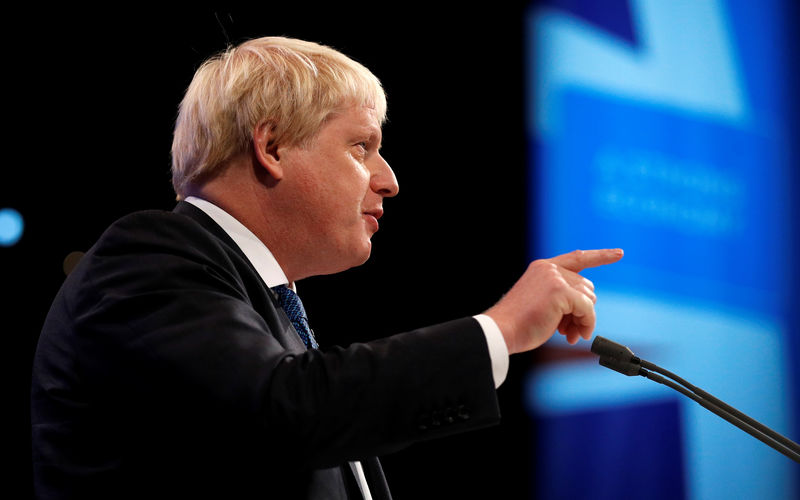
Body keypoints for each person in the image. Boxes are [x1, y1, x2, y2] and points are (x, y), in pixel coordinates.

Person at [30, 36, 623, 500]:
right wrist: (500, 329)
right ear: (273, 148)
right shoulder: (146, 257)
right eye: (361, 146)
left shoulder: (261, 304)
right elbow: (281, 409)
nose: (389, 179)